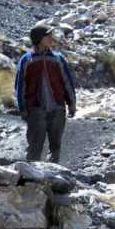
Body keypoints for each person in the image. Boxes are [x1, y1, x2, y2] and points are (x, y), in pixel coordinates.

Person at [14, 25, 76, 163]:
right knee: (35, 146)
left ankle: (53, 177)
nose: (51, 38)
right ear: (38, 39)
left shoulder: (58, 59)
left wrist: (71, 103)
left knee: (55, 146)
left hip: (58, 108)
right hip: (35, 109)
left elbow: (67, 82)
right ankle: (31, 177)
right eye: (47, 36)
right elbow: (20, 86)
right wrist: (22, 108)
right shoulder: (27, 60)